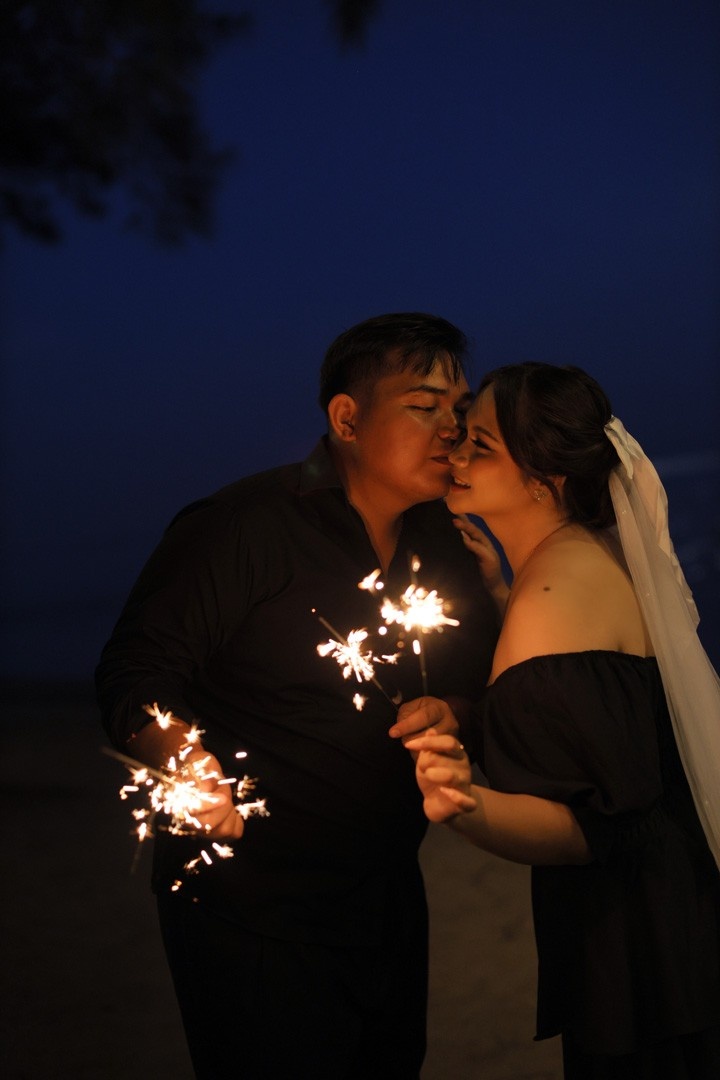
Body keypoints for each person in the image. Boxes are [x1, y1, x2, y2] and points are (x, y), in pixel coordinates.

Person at [95, 312, 499, 1080]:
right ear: (347, 419)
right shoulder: (243, 526)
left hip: (384, 894)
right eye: (424, 405)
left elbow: (479, 682)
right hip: (251, 908)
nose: (452, 427)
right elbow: (136, 670)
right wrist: (187, 762)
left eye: (459, 406)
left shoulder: (443, 540)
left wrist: (457, 714)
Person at [402, 361, 720, 1078]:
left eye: (480, 445)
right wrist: (499, 593)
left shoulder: (550, 598)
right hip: (683, 915)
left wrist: (466, 804)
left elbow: (591, 828)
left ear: (545, 479)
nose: (454, 453)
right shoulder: (589, 556)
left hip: (641, 946)